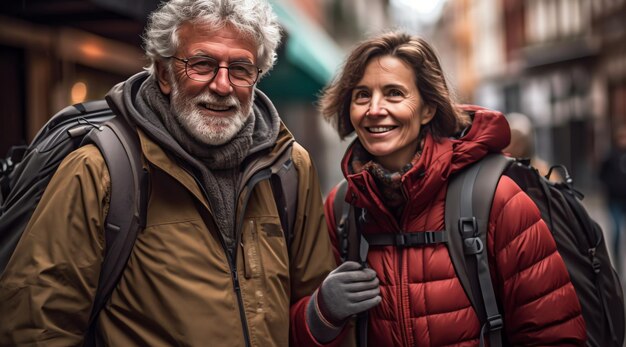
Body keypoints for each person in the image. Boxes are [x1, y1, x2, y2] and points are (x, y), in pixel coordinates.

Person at [0, 0, 379, 345]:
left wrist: (324, 311)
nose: (222, 85)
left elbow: (308, 313)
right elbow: (37, 327)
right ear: (164, 73)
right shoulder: (100, 168)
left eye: (241, 69)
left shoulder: (291, 166)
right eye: (202, 64)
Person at [318, 31, 587, 346]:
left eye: (393, 93)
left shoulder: (495, 199)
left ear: (428, 109)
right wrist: (321, 314)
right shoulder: (342, 208)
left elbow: (554, 335)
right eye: (362, 95)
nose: (374, 109)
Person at [599, 125, 626, 267]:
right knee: (616, 230)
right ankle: (617, 261)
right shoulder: (610, 155)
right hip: (614, 199)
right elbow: (601, 174)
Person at [502, 112, 558, 180]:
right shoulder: (500, 170)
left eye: (520, 140)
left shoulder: (543, 171)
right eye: (512, 138)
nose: (516, 146)